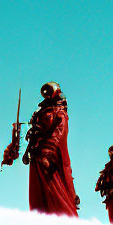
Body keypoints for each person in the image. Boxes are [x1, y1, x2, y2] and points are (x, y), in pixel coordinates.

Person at [19, 82, 79, 216]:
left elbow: (58, 133)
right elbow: (35, 131)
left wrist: (47, 152)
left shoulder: (60, 112)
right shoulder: (41, 112)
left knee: (56, 192)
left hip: (52, 158)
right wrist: (28, 150)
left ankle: (66, 221)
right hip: (36, 154)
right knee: (38, 194)